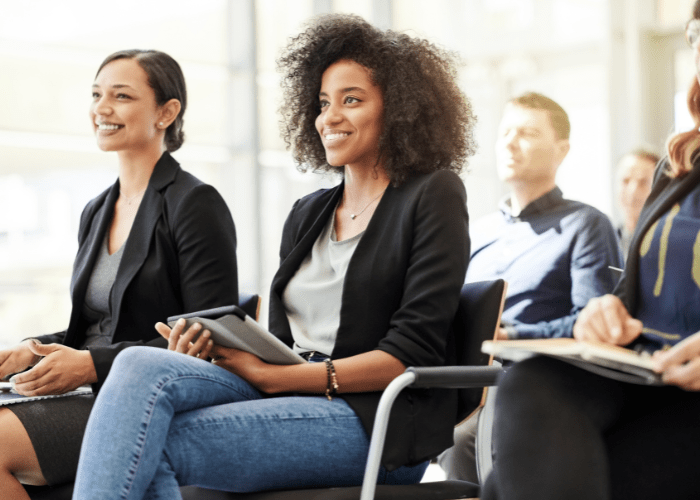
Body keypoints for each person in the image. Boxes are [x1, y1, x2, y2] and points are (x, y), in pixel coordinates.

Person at [71, 14, 474, 499]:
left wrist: (278, 378)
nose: (330, 117)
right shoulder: (309, 213)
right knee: (139, 363)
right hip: (289, 384)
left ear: (401, 110)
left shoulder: (432, 195)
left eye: (352, 100)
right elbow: (282, 341)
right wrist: (229, 351)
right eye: (323, 103)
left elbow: (410, 353)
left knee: (151, 441)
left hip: (372, 420)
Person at [480, 4, 700, 498]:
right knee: (530, 385)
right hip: (639, 373)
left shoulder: (582, 224)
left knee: (504, 485)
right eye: (697, 32)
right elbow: (632, 292)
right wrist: (607, 309)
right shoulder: (681, 163)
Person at [0, 50, 238, 500]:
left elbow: (209, 336)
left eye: (121, 95)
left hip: (133, 400)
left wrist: (90, 366)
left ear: (167, 113)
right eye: (96, 94)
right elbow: (92, 326)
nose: (101, 108)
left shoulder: (194, 204)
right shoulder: (97, 210)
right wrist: (27, 352)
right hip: (82, 389)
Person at [438, 92, 622, 483]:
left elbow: (592, 325)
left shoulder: (586, 224)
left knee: (463, 435)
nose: (510, 142)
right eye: (505, 131)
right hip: (461, 379)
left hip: (531, 380)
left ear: (562, 150)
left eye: (527, 132)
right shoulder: (477, 231)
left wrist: (510, 336)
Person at [616, 148, 660, 256]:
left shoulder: (669, 242)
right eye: (625, 181)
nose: (632, 191)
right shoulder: (607, 240)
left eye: (643, 182)